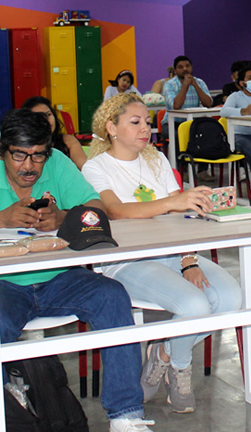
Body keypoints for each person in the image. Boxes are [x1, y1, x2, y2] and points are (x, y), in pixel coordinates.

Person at [0, 108, 153, 432]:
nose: (29, 166)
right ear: (1, 151)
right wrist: (1, 218)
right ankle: (2, 407)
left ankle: (125, 415)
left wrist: (63, 217)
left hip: (58, 277)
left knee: (112, 296)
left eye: (38, 156)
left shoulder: (58, 166)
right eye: (19, 156)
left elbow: (96, 209)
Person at [84, 93, 242, 414]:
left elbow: (182, 217)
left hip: (173, 252)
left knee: (230, 299)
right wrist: (173, 202)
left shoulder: (156, 160)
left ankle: (165, 354)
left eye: (147, 122)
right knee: (195, 305)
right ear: (111, 128)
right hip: (126, 260)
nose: (146, 128)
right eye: (135, 122)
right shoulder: (94, 166)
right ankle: (181, 367)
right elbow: (115, 211)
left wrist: (189, 260)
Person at [22, 96, 89, 169]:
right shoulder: (22, 146)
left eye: (48, 114)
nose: (47, 120)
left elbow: (85, 168)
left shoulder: (67, 141)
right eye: (39, 116)